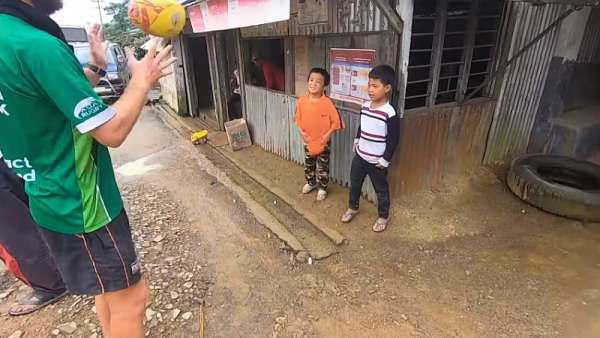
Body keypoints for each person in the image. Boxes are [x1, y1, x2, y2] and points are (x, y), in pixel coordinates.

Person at [0, 1, 175, 337]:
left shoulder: (10, 39)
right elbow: (112, 131)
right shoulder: (36, 44)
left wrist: (96, 66)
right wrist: (143, 80)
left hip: (46, 195)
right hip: (83, 202)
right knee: (131, 299)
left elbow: (43, 95)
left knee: (107, 289)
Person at [0, 156, 68, 316]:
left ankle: (51, 284)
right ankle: (72, 264)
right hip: (11, 152)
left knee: (14, 233)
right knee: (37, 206)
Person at [340, 65, 401, 232]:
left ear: (387, 88)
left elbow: (394, 139)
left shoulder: (390, 113)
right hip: (360, 156)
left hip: (377, 162)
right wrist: (357, 139)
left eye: (375, 86)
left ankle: (383, 216)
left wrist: (385, 160)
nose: (370, 90)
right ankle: (353, 207)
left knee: (381, 190)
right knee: (355, 183)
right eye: (369, 85)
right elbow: (362, 125)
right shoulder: (365, 106)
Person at [295, 68, 343, 201]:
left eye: (318, 82)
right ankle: (311, 183)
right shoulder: (302, 100)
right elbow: (298, 118)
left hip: (323, 141)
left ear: (324, 85)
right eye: (311, 80)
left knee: (323, 165)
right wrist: (301, 133)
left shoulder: (328, 103)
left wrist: (327, 136)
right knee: (309, 163)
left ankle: (322, 188)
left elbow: (336, 122)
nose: (313, 84)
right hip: (308, 140)